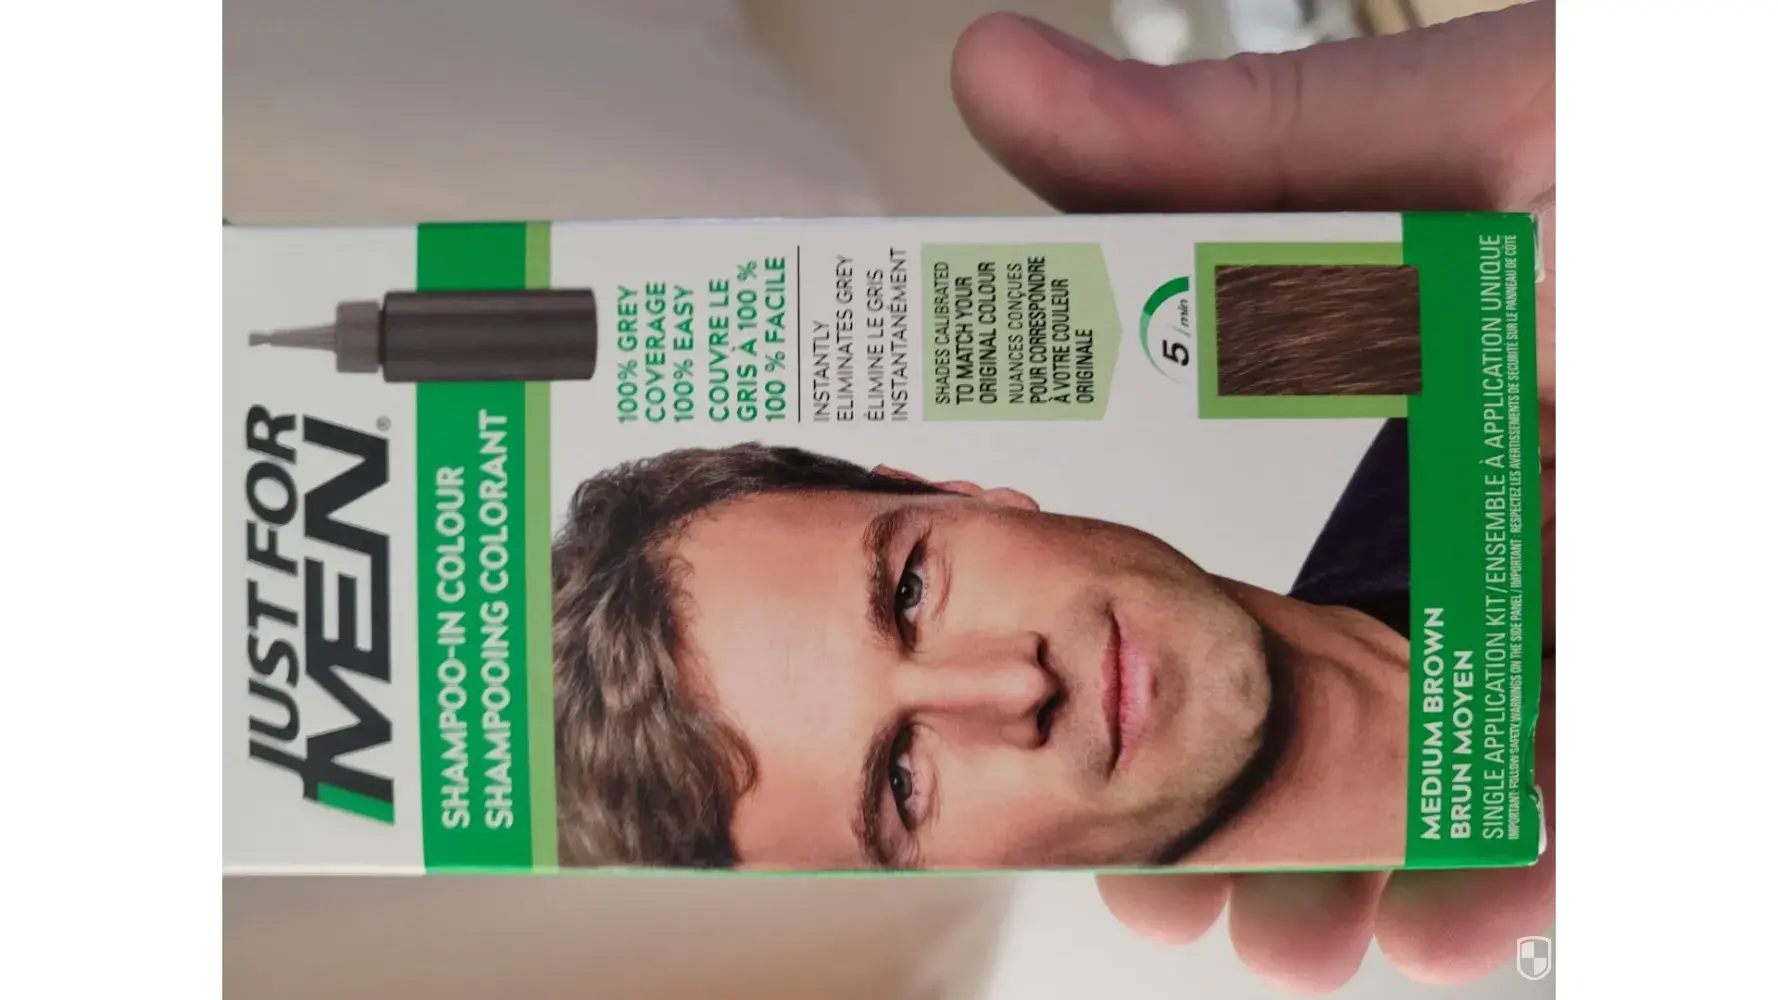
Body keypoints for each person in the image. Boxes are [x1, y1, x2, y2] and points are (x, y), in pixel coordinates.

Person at [946, 1, 1556, 992]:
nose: (1015, 689)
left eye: (909, 591)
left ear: (969, 501)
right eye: (902, 780)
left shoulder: (1472, 345)